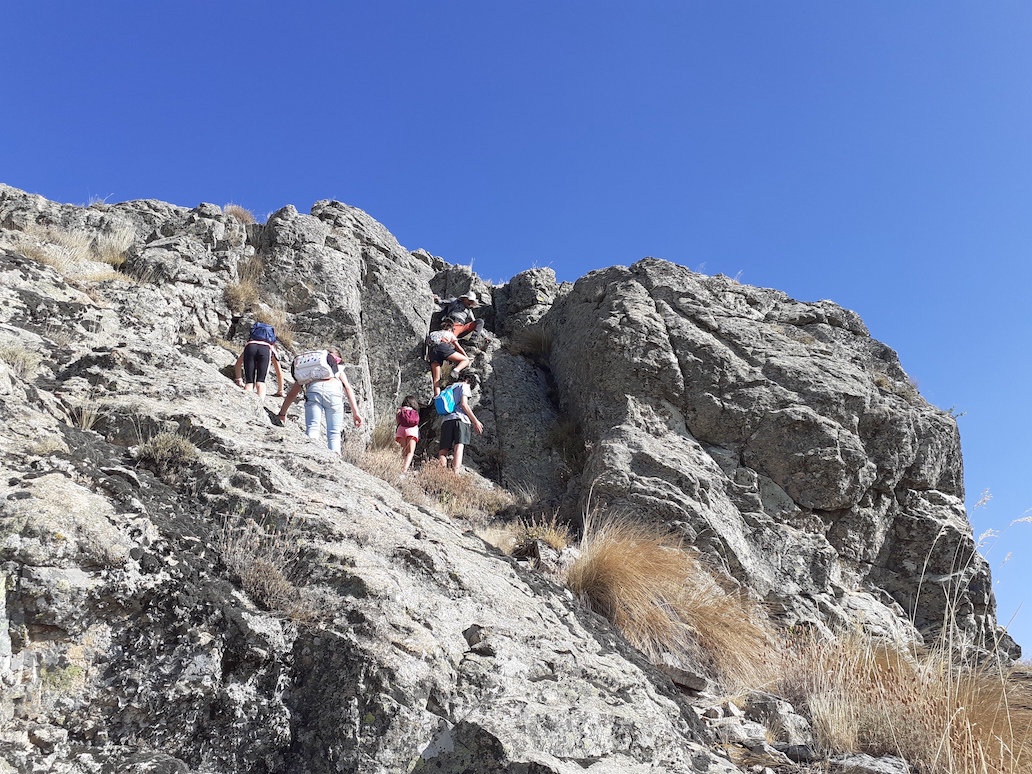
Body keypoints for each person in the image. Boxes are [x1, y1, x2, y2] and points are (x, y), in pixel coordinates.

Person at [275, 346, 362, 454]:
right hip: (334, 394)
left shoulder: (310, 370)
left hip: (314, 391)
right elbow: (347, 389)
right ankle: (335, 462)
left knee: (312, 427)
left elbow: (292, 394)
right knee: (334, 434)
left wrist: (282, 413)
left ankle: (311, 455)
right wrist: (356, 413)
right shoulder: (338, 370)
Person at [437, 370, 483, 474]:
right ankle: (455, 474)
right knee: (459, 447)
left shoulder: (449, 387)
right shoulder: (464, 386)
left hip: (446, 421)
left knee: (443, 450)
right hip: (460, 420)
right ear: (468, 380)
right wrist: (475, 421)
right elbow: (463, 404)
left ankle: (440, 474)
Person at [234, 330, 285, 399]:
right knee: (260, 382)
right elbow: (279, 373)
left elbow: (238, 363)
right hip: (265, 351)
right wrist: (280, 390)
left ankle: (246, 402)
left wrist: (239, 379)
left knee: (249, 383)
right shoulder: (270, 347)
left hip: (250, 348)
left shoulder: (250, 343)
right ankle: (259, 406)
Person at [426, 320, 470, 395]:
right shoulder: (449, 333)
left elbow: (428, 344)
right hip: (442, 347)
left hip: (432, 352)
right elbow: (458, 347)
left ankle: (438, 397)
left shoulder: (433, 333)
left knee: (436, 379)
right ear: (450, 329)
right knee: (465, 360)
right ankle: (456, 370)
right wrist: (466, 357)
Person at [395, 395, 420, 473]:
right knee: (410, 452)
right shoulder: (415, 412)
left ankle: (401, 467)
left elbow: (398, 422)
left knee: (404, 451)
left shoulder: (400, 410)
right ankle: (404, 470)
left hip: (401, 430)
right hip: (412, 431)